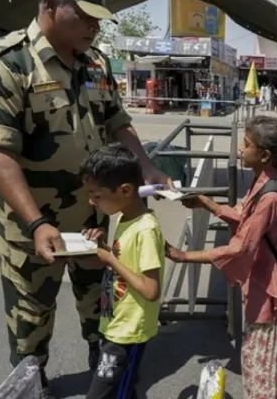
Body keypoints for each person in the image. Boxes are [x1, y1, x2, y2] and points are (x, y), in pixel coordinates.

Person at [0, 0, 173, 396]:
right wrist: (36, 223)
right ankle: (33, 387)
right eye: (85, 16)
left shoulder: (96, 63)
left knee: (104, 319)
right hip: (32, 231)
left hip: (93, 227)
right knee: (29, 333)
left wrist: (147, 168)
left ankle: (109, 385)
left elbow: (118, 123)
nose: (95, 27)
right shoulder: (3, 63)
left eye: (100, 18)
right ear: (48, 6)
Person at [166, 116, 277, 399]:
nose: (240, 150)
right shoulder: (266, 182)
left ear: (265, 155)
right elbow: (246, 219)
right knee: (269, 349)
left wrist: (186, 256)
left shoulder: (271, 197)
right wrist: (208, 203)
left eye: (246, 144)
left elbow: (241, 247)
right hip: (265, 282)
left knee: (263, 353)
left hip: (269, 289)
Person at [79, 145, 164, 399]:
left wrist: (109, 259)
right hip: (116, 323)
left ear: (125, 190)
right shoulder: (125, 218)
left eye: (96, 195)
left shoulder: (145, 229)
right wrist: (102, 249)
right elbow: (125, 261)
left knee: (104, 393)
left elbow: (151, 290)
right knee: (121, 391)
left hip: (130, 331)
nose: (91, 202)